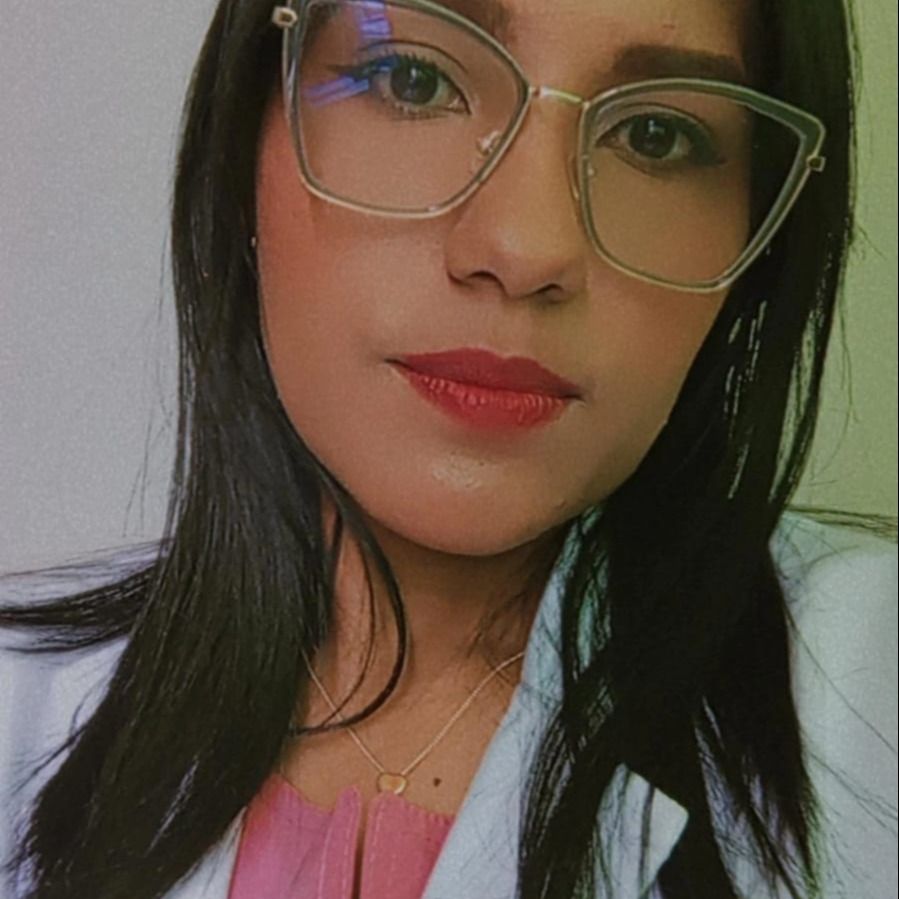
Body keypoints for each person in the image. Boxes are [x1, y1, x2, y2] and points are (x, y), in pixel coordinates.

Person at [0, 0, 896, 897]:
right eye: (413, 79)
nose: (524, 247)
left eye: (655, 135)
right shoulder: (18, 703)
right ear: (242, 143)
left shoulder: (867, 686)